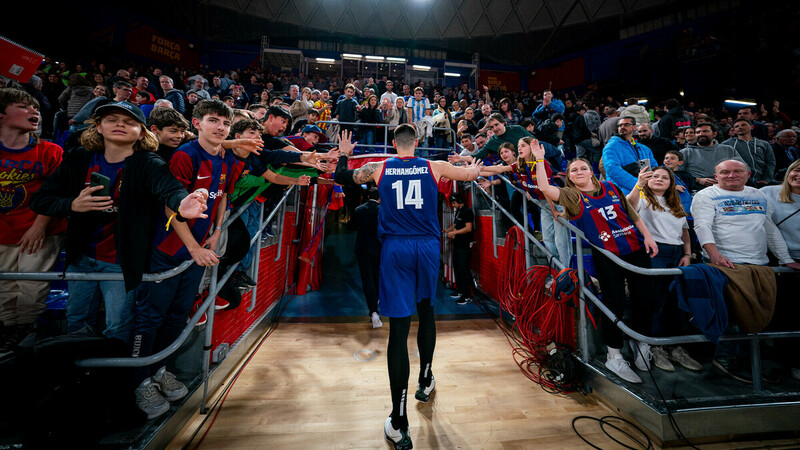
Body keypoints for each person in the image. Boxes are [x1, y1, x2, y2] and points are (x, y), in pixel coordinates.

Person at [334, 125, 482, 450]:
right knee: (427, 312)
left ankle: (399, 423)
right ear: (417, 143)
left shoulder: (379, 168)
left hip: (396, 249)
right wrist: (472, 163)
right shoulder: (434, 166)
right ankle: (425, 380)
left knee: (399, 330)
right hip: (427, 247)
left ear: (393, 144)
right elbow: (470, 174)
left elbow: (343, 178)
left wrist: (344, 153)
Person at [30, 101, 209, 344]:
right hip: (81, 257)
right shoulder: (79, 158)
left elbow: (170, 189)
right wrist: (72, 205)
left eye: (129, 121)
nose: (120, 125)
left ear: (142, 132)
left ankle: (111, 378)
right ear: (99, 127)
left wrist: (182, 204)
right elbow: (41, 200)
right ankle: (80, 377)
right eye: (112, 119)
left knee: (117, 326)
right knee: (76, 320)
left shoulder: (148, 162)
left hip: (120, 262)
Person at [130, 99, 244, 419]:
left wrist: (218, 229)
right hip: (169, 253)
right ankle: (139, 380)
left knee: (178, 314)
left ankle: (159, 371)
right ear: (197, 124)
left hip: (196, 254)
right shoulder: (184, 156)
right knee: (151, 316)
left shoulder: (224, 158)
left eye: (225, 122)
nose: (220, 127)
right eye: (213, 121)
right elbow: (171, 206)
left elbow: (223, 197)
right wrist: (194, 247)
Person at [534, 148, 659, 384]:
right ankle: (614, 355)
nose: (579, 172)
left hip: (635, 248)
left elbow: (632, 213)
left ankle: (641, 342)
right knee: (614, 303)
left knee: (646, 298)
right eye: (574, 170)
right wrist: (539, 159)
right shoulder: (572, 196)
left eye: (583, 168)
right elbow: (545, 188)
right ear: (569, 177)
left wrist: (648, 236)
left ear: (592, 172)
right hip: (607, 254)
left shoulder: (611, 188)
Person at [692, 159, 800, 383]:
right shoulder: (705, 195)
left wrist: (786, 258)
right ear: (716, 174)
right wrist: (715, 256)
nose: (731, 175)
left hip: (759, 264)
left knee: (753, 314)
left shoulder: (758, 194)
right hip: (726, 264)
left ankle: (749, 364)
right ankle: (726, 360)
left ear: (748, 174)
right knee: (733, 314)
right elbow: (702, 226)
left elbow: (768, 227)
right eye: (725, 172)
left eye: (737, 171)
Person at [0, 88, 65, 355]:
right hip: (4, 230)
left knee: (32, 285)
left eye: (36, 108)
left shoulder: (49, 151)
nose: (34, 112)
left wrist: (39, 226)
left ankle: (26, 330)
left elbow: (56, 192)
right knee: (4, 284)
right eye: (23, 107)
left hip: (39, 230)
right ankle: (6, 329)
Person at [625, 166, 701, 372]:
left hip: (676, 254)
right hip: (653, 253)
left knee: (675, 302)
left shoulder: (674, 202)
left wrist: (687, 254)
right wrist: (638, 184)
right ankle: (654, 345)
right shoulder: (641, 197)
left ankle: (674, 345)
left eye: (665, 177)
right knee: (654, 301)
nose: (659, 179)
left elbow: (685, 231)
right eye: (655, 176)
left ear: (671, 183)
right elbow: (628, 208)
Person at [760, 159, 800, 380]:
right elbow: (765, 228)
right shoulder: (768, 192)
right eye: (796, 170)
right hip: (781, 262)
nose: (799, 175)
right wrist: (784, 258)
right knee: (787, 315)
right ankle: (786, 362)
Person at [602, 116, 659, 194]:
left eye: (626, 124)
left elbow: (655, 167)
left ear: (634, 127)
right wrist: (638, 185)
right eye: (620, 125)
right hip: (623, 192)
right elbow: (612, 169)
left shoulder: (644, 148)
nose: (622, 127)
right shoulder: (611, 146)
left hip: (646, 190)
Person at [352, 187, 382, 328]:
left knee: (367, 280)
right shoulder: (382, 210)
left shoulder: (358, 210)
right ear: (379, 198)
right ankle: (377, 301)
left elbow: (351, 226)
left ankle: (373, 311)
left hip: (362, 249)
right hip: (378, 249)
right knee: (377, 277)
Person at [680, 123, 738, 189]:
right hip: (697, 189)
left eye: (705, 131)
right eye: (698, 132)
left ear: (714, 134)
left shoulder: (728, 149)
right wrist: (697, 180)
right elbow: (677, 174)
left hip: (727, 187)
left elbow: (742, 169)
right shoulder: (685, 152)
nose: (701, 134)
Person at [722, 118, 776, 186]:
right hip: (738, 182)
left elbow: (770, 163)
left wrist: (766, 179)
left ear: (752, 127)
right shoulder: (726, 144)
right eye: (736, 126)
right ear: (734, 130)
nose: (740, 127)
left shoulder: (764, 144)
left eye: (743, 125)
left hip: (761, 183)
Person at [444, 193, 475, 305]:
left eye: (454, 203)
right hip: (458, 244)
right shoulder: (459, 211)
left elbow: (468, 228)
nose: (453, 205)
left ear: (459, 200)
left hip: (465, 245)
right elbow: (457, 224)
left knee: (463, 270)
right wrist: (448, 230)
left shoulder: (467, 211)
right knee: (457, 267)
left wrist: (454, 233)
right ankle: (460, 291)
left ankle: (467, 295)